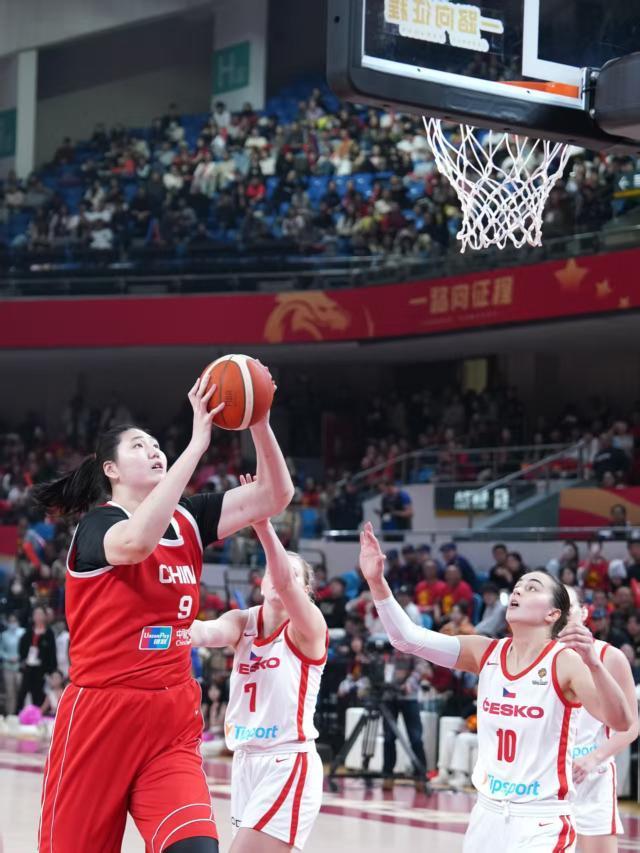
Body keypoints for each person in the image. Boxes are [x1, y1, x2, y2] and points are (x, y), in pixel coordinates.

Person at [33, 367, 293, 853]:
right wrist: (196, 446)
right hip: (101, 715)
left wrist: (258, 419)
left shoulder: (190, 517)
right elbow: (136, 544)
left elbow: (274, 496)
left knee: (196, 847)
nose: (154, 450)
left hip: (171, 715)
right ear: (110, 470)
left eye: (156, 444)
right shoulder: (97, 527)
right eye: (138, 446)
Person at [358, 521, 633, 852]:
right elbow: (407, 638)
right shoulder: (485, 651)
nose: (518, 591)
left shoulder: (565, 662)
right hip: (487, 814)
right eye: (517, 586)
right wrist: (376, 582)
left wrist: (594, 664)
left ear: (552, 614)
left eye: (532, 587)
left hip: (540, 820)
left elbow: (620, 721)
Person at [190, 480, 327, 852]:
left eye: (293, 577)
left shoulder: (309, 628)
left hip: (287, 760)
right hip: (246, 762)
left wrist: (263, 524)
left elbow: (285, 581)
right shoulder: (242, 622)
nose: (280, 580)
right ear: (261, 582)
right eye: (273, 573)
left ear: (305, 592)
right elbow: (204, 632)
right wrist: (161, 627)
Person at [565, 586, 638, 852]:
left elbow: (632, 725)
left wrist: (594, 757)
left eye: (568, 607)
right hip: (543, 779)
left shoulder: (610, 657)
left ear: (583, 612)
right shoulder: (537, 657)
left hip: (591, 778)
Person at [17, 605, 57, 710]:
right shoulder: (28, 632)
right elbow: (22, 648)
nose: (38, 616)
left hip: (41, 669)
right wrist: (23, 660)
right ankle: (18, 713)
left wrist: (51, 671)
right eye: (36, 614)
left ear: (45, 616)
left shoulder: (49, 633)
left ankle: (37, 715)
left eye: (40, 614)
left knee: (38, 694)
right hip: (28, 666)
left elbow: (52, 653)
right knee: (22, 693)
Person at [1, 612, 25, 714]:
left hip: (21, 667)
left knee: (21, 691)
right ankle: (10, 715)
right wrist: (9, 657)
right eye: (10, 621)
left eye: (14, 620)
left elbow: (26, 648)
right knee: (10, 692)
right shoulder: (4, 635)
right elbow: (1, 650)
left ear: (18, 621)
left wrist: (20, 657)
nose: (12, 623)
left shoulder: (23, 632)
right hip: (8, 666)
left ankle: (22, 714)